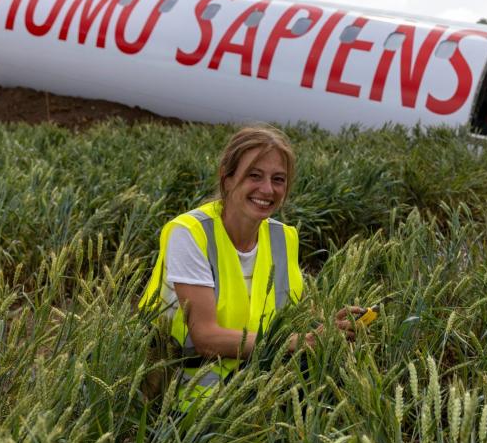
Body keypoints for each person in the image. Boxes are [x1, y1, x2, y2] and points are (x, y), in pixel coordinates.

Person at [138, 126, 362, 406]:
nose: (267, 189)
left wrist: (326, 326)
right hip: (186, 376)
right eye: (254, 175)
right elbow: (205, 338)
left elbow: (286, 313)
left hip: (253, 368)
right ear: (227, 178)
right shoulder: (190, 232)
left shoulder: (283, 238)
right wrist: (294, 342)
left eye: (278, 179)